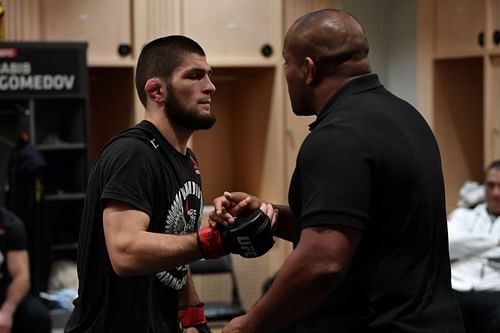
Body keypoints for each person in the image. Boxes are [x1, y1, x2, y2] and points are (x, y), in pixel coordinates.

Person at [209, 9, 465, 333]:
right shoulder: (407, 117)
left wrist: (250, 324)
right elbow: (354, 227)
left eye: (287, 63)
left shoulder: (337, 136)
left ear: (308, 69)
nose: (286, 74)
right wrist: (268, 213)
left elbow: (323, 261)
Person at [64, 35, 276, 333]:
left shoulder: (186, 161)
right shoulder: (133, 154)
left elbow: (175, 247)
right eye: (195, 75)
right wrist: (213, 242)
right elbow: (125, 252)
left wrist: (193, 316)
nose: (210, 86)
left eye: (209, 75)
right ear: (156, 90)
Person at [448, 160, 500, 333]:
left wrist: (468, 245)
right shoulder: (464, 215)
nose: (496, 193)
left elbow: (459, 245)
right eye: (490, 185)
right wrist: (495, 242)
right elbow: (448, 246)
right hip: (457, 286)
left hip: (494, 291)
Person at [0, 206, 51, 333]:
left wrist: (7, 311)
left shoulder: (10, 224)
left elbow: (22, 276)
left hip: (3, 295)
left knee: (37, 316)